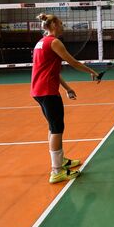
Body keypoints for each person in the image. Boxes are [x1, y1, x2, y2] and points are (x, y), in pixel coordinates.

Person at [31, 13, 100, 184]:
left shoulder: (41, 43)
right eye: (61, 23)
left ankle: (60, 161)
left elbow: (51, 72)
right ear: (53, 24)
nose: (63, 27)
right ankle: (57, 171)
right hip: (47, 91)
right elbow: (74, 62)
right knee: (56, 129)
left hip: (39, 90)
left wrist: (68, 88)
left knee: (53, 127)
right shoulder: (54, 42)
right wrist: (93, 72)